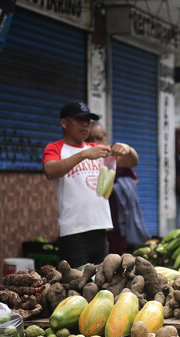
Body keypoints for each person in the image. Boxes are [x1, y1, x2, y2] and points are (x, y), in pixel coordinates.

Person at [42, 101, 138, 267]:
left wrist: (128, 149)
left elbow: (132, 162)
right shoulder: (56, 148)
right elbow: (50, 171)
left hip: (101, 229)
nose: (85, 124)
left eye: (88, 120)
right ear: (64, 123)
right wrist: (84, 154)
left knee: (100, 285)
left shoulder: (98, 148)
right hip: (74, 232)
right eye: (79, 120)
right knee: (76, 286)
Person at [86, 122, 147, 253]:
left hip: (116, 216)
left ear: (105, 136)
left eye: (98, 138)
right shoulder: (85, 156)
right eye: (90, 139)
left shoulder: (114, 153)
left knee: (117, 255)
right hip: (92, 218)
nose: (95, 142)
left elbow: (134, 176)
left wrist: (113, 188)